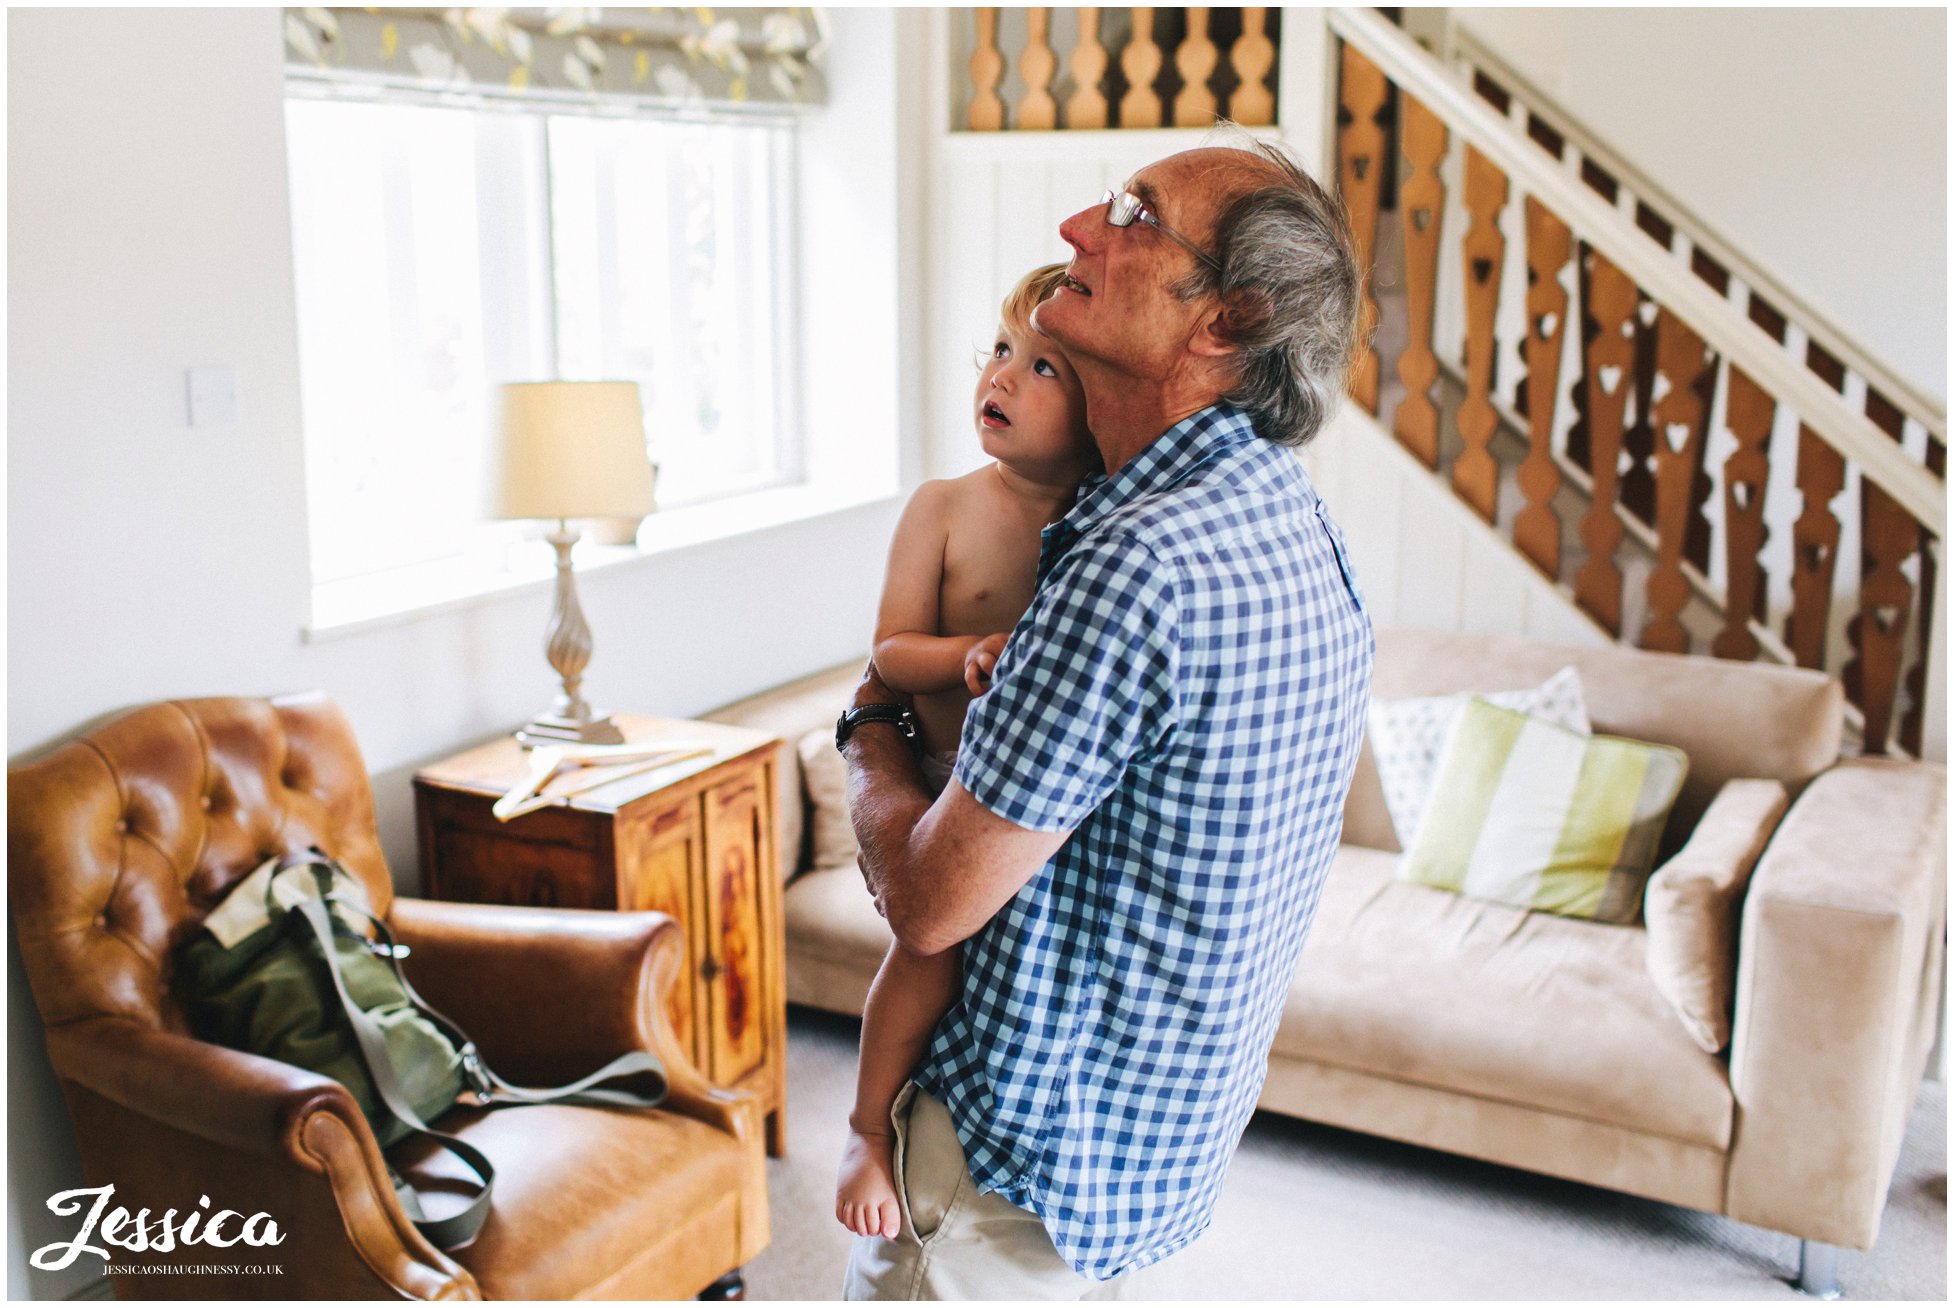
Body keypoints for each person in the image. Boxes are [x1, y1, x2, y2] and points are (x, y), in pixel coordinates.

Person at [835, 137, 1375, 1300]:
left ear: (1225, 320)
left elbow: (929, 902)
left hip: (1011, 1169)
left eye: (1136, 214)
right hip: (1144, 1152)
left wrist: (868, 728)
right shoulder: (1292, 522)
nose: (1081, 223)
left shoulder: (1137, 564)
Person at [833, 263, 1100, 1242]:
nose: (1001, 376)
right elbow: (888, 654)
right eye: (999, 351)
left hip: (1051, 809)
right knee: (926, 954)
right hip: (953, 787)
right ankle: (866, 1127)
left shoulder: (1100, 526)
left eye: (1043, 369)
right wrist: (966, 654)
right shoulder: (943, 506)